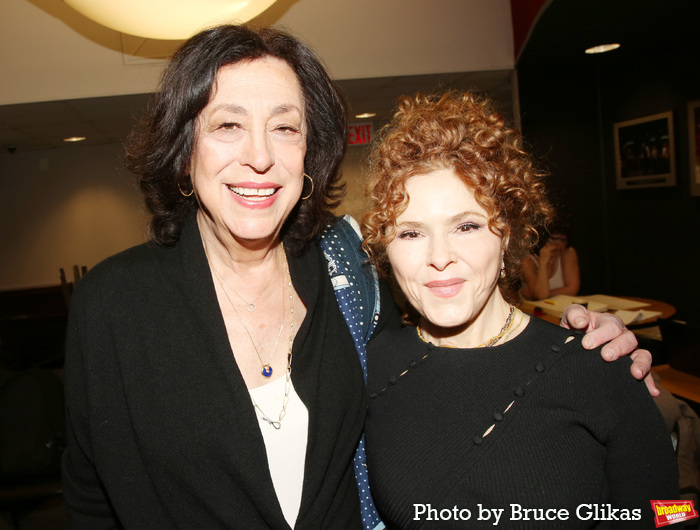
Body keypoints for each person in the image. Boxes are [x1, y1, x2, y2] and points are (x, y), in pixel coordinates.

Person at [62, 25, 652, 529]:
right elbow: (92, 499)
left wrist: (603, 350)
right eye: (228, 125)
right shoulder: (113, 306)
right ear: (184, 148)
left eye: (286, 127)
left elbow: (669, 508)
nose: (260, 156)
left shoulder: (344, 275)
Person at [362, 91, 678, 528]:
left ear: (507, 233)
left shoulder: (601, 367)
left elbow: (671, 516)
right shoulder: (372, 368)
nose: (438, 257)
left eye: (466, 226)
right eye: (411, 233)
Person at [520, 223, 580, 300]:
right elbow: (541, 295)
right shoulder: (528, 261)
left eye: (563, 240)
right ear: (543, 239)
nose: (560, 245)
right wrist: (543, 262)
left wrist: (534, 294)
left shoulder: (568, 253)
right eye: (555, 239)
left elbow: (572, 290)